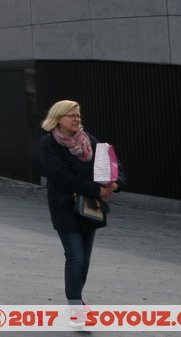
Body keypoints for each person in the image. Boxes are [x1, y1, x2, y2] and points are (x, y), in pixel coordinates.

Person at [40, 100, 124, 310]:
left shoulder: (89, 140)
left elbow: (112, 163)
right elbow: (60, 177)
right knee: (75, 256)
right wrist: (96, 189)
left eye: (78, 115)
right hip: (65, 207)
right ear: (58, 118)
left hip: (89, 208)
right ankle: (75, 305)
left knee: (85, 259)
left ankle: (77, 297)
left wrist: (116, 183)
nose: (77, 119)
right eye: (72, 115)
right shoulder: (49, 143)